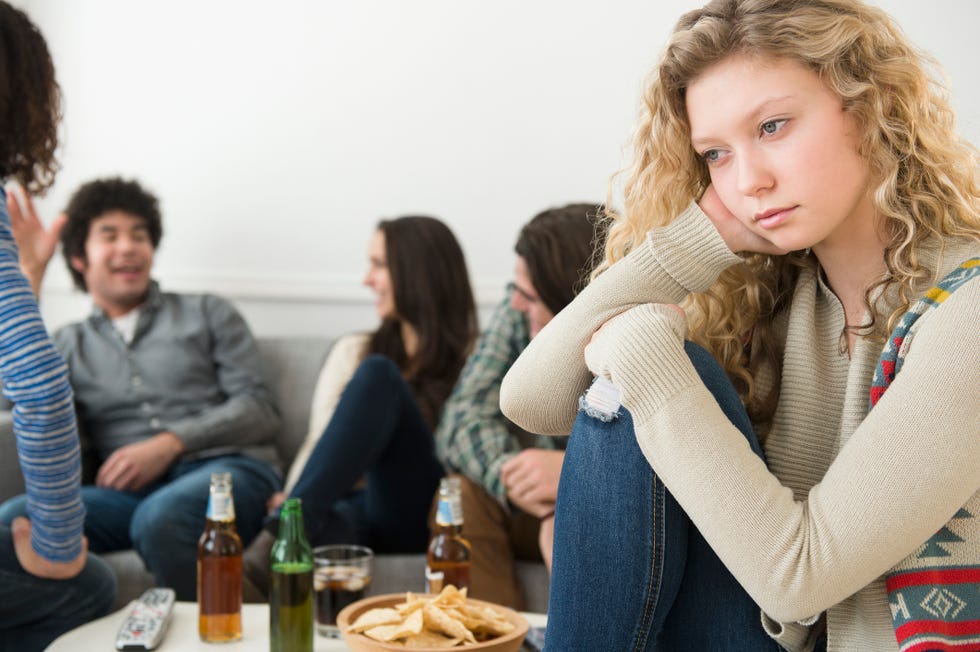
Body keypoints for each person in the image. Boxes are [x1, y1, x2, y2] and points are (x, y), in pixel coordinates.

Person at [499, 1, 980, 650]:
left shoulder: (966, 312)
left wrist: (643, 350)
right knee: (642, 403)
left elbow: (800, 580)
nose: (749, 180)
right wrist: (704, 234)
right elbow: (532, 399)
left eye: (774, 126)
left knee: (664, 367)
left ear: (869, 107)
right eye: (717, 155)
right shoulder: (782, 299)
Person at [0, 177, 283, 602]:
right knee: (15, 520)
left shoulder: (207, 312)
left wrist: (169, 444)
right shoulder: (67, 343)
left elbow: (259, 408)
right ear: (79, 257)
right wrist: (30, 276)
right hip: (125, 499)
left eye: (139, 235)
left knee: (162, 519)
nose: (129, 246)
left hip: (224, 473)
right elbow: (15, 406)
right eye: (109, 236)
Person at [242, 215, 478, 598]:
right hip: (346, 511)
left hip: (415, 509)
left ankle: (279, 537)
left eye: (379, 265)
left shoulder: (478, 358)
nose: (367, 280)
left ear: (418, 272)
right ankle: (285, 533)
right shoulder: (354, 349)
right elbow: (319, 442)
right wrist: (292, 498)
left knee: (379, 376)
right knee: (304, 516)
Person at [0, 3, 117, 649]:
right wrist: (55, 542)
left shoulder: (204, 313)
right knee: (88, 585)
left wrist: (25, 275)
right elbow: (39, 386)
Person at [435, 203, 604, 609]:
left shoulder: (640, 325)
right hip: (533, 504)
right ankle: (485, 638)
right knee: (461, 494)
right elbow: (461, 417)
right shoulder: (520, 315)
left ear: (570, 300)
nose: (515, 304)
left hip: (611, 501)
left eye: (529, 296)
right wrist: (523, 484)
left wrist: (573, 475)